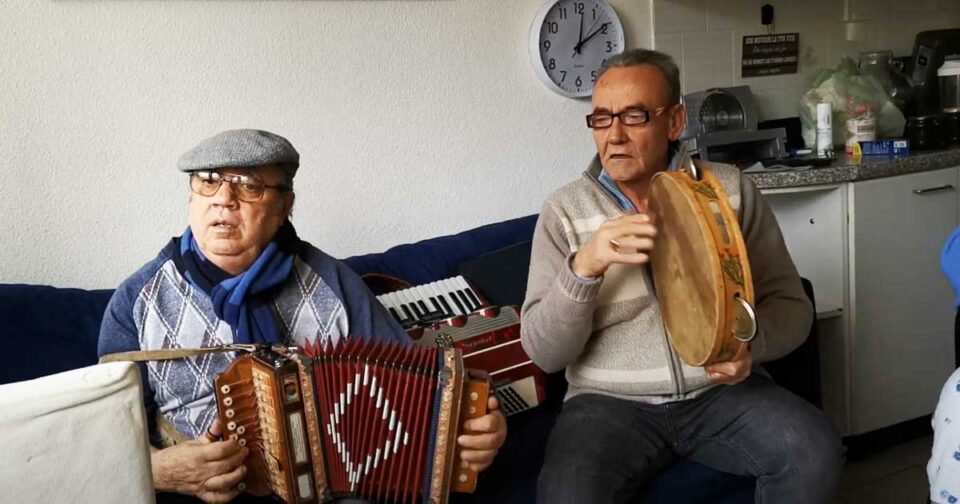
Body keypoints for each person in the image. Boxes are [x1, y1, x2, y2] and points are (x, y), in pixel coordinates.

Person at [98, 129, 507, 503]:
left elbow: (425, 393)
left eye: (249, 185)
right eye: (208, 180)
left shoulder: (333, 283)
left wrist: (475, 431)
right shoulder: (138, 300)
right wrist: (159, 471)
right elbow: (102, 437)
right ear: (192, 198)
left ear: (285, 207)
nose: (223, 198)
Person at [520, 49, 842, 503]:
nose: (614, 136)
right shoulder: (565, 212)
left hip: (718, 393)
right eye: (601, 118)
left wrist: (748, 347)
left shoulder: (728, 191)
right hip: (606, 403)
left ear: (674, 122)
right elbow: (544, 353)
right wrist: (585, 267)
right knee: (566, 495)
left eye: (634, 116)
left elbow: (792, 307)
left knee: (815, 450)